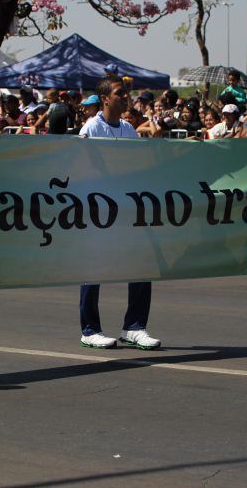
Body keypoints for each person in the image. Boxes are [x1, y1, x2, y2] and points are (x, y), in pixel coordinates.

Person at [77, 77, 160, 350]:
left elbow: (138, 167)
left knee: (142, 265)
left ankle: (134, 326)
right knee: (93, 268)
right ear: (105, 98)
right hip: (99, 211)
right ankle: (90, 330)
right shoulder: (91, 127)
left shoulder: (128, 129)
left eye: (126, 93)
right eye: (119, 93)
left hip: (127, 210)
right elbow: (81, 166)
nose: (126, 97)